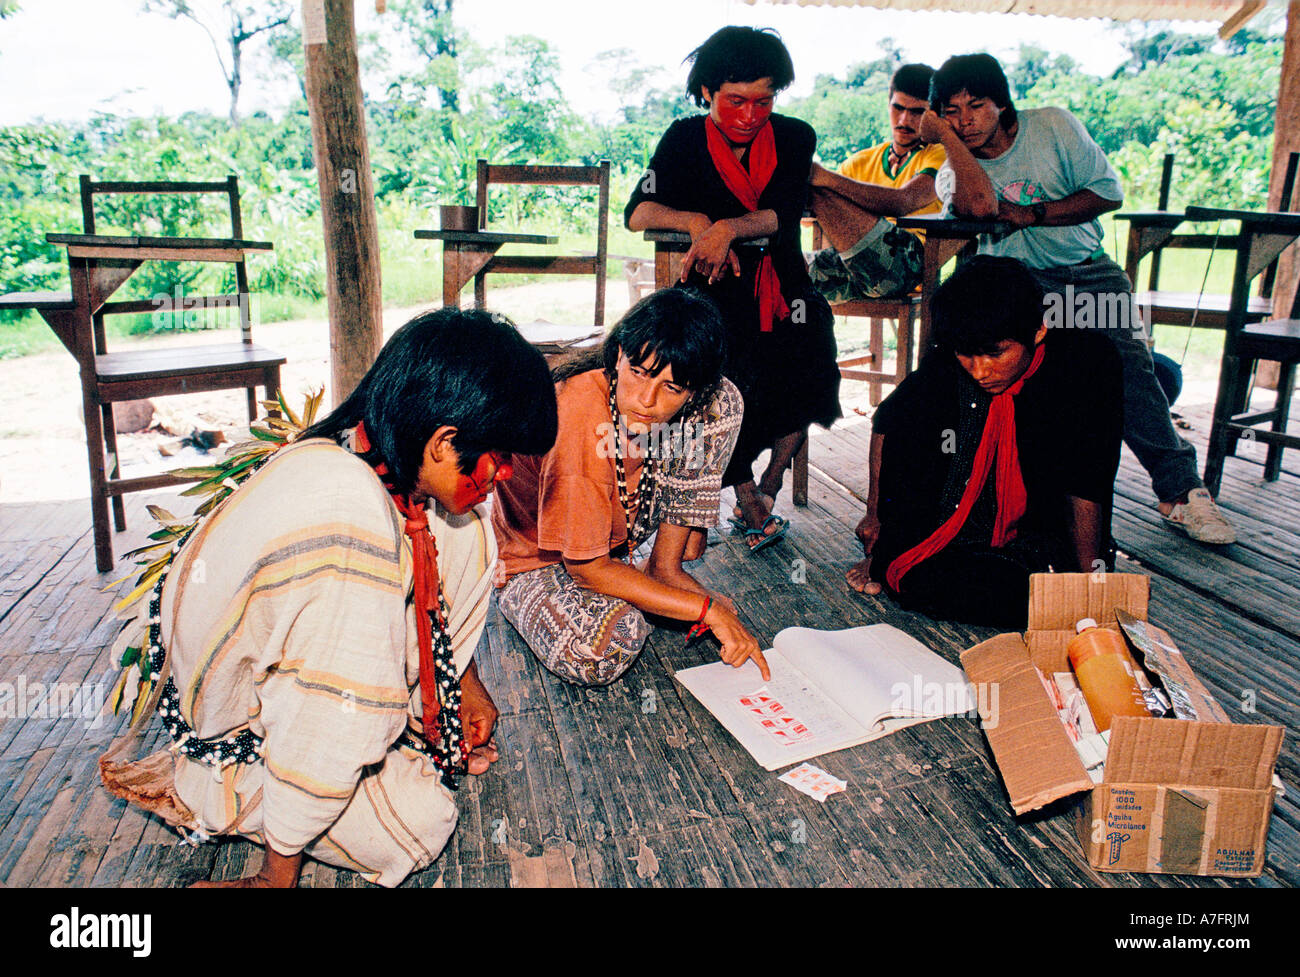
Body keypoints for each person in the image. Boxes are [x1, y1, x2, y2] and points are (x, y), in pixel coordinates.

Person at [99, 308, 558, 887]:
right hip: (237, 726)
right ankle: (219, 793)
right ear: (444, 442)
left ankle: (398, 720)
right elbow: (324, 720)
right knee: (420, 822)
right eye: (501, 455)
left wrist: (458, 685)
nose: (505, 473)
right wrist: (275, 878)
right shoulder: (351, 524)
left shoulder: (368, 449)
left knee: (466, 531)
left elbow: (423, 599)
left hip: (310, 668)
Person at [920, 52, 1236, 545]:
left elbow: (1108, 194)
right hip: (1018, 282)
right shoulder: (951, 171)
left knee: (1131, 367)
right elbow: (979, 206)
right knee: (1002, 371)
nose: (966, 121)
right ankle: (982, 495)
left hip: (1088, 274)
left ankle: (1182, 492)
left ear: (1002, 103)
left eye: (976, 106)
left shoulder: (1053, 127)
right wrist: (947, 141)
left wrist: (1036, 213)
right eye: (952, 112)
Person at [625, 25, 841, 550]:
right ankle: (746, 496)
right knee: (722, 373)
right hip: (712, 293)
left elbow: (780, 215)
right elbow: (637, 212)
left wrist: (728, 228)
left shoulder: (794, 136)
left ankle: (771, 485)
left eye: (762, 101)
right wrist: (698, 220)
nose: (749, 115)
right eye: (734, 101)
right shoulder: (682, 138)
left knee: (812, 353)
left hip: (782, 285)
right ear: (706, 93)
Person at [492, 288, 769, 686]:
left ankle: (661, 567)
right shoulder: (579, 416)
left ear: (690, 390)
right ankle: (636, 581)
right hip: (540, 561)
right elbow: (585, 570)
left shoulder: (689, 397)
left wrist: (688, 597)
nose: (646, 399)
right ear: (619, 354)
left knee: (723, 400)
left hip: (617, 537)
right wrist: (706, 609)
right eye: (639, 372)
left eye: (673, 387)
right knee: (613, 642)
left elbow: (700, 400)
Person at [846, 256, 1123, 629]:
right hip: (954, 530)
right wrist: (875, 516)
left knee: (1032, 595)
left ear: (1039, 330)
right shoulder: (949, 358)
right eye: (967, 355)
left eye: (996, 353)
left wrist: (1091, 589)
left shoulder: (1085, 365)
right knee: (917, 578)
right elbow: (888, 423)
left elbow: (1088, 483)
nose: (980, 371)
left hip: (1038, 536)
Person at [807, 62, 946, 301]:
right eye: (898, 108)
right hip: (855, 267)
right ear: (888, 104)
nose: (904, 119)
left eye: (917, 112)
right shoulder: (859, 162)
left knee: (817, 187)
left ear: (933, 114)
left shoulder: (939, 154)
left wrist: (825, 177)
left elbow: (904, 201)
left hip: (909, 266)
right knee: (780, 273)